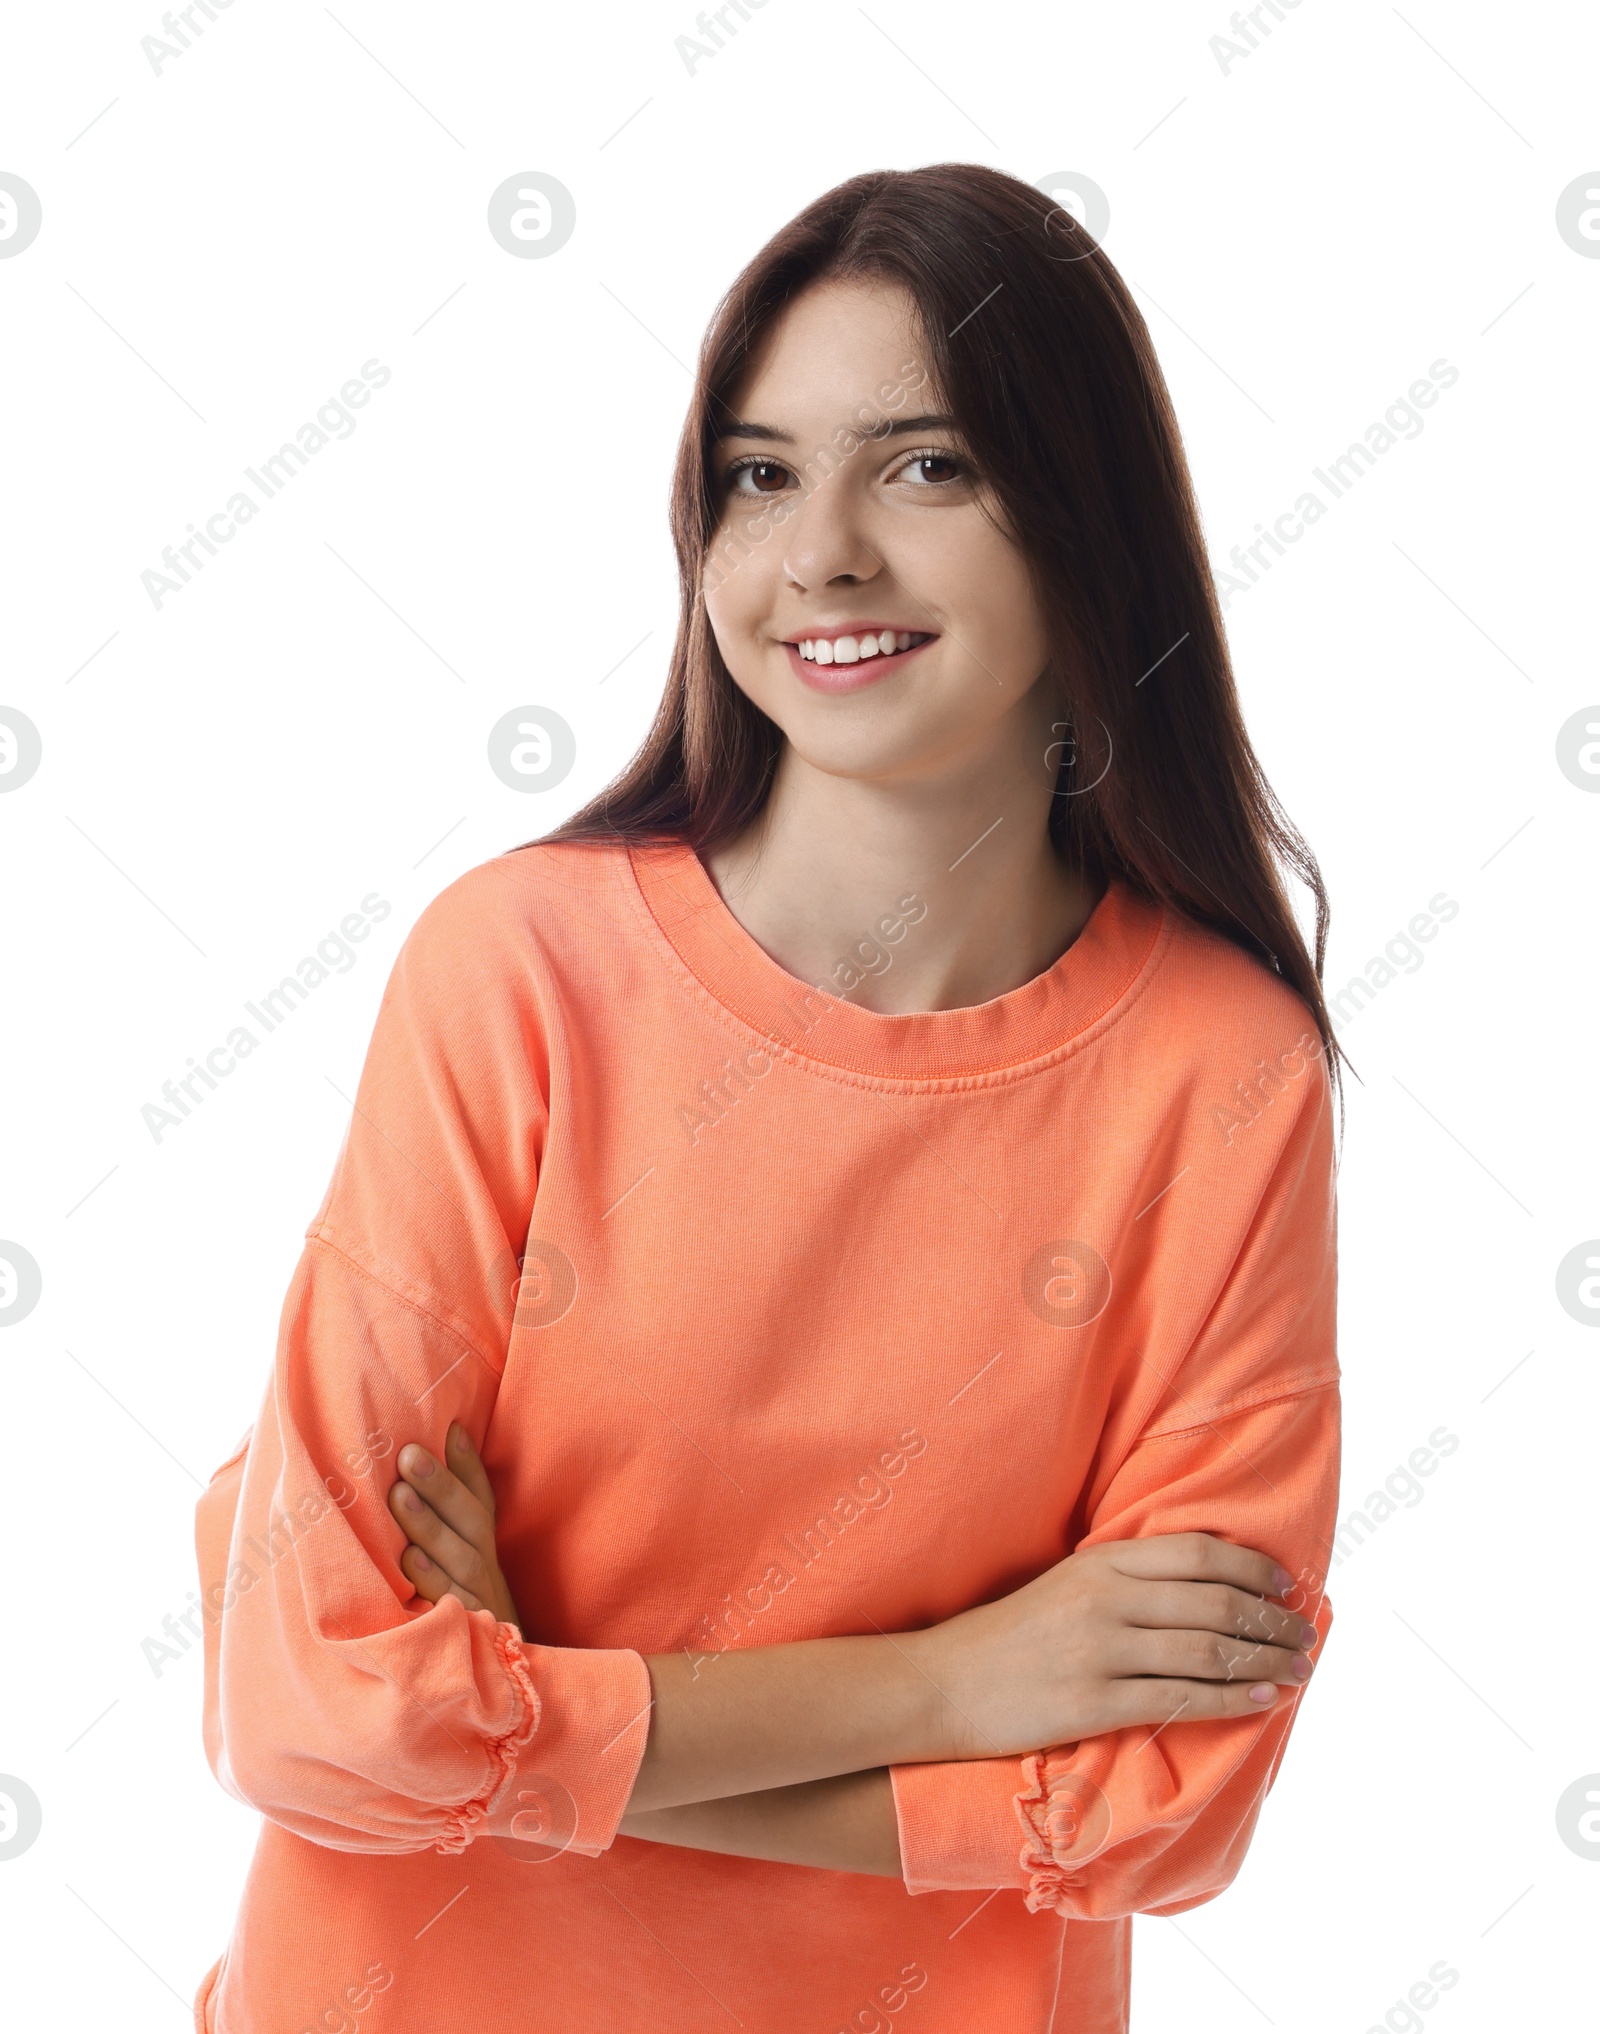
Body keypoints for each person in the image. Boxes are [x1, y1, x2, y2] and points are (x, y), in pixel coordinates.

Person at [192, 162, 1341, 2034]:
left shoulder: (1220, 1073)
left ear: (1087, 526)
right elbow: (308, 1697)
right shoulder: (518, 973)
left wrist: (542, 1692)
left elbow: (1164, 1803)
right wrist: (959, 1686)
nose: (822, 555)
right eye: (759, 473)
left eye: (926, 466)